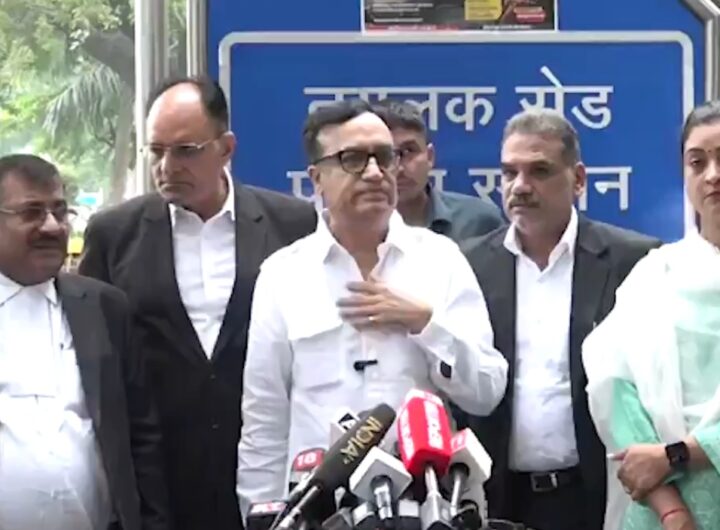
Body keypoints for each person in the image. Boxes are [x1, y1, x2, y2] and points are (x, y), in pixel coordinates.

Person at [235, 99, 508, 516]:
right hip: (322, 510)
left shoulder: (440, 259)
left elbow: (486, 392)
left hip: (427, 506)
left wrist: (425, 323)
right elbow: (264, 422)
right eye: (353, 160)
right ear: (317, 178)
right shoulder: (283, 275)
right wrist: (263, 514)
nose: (376, 173)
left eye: (385, 157)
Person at [78, 75, 317, 530]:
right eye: (156, 151)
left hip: (265, 466)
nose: (167, 167)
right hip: (157, 476)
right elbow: (94, 354)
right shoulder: (114, 234)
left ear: (226, 148)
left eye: (185, 151)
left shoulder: (291, 224)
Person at [460, 109, 660, 530]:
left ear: (579, 179)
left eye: (539, 171)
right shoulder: (469, 264)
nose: (520, 186)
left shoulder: (632, 260)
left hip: (595, 494)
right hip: (498, 497)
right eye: (509, 172)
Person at [0, 154, 169, 530]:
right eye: (31, 212)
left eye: (60, 212)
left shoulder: (103, 307)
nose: (51, 226)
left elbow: (141, 435)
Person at [583, 101, 720, 530]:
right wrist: (671, 509)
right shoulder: (655, 276)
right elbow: (612, 386)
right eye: (697, 162)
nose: (712, 175)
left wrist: (677, 455)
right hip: (662, 510)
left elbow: (662, 456)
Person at [373, 99, 504, 243]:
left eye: (409, 151)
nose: (399, 168)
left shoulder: (480, 222)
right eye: (386, 155)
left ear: (430, 156)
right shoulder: (354, 229)